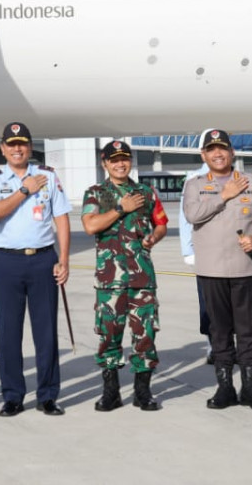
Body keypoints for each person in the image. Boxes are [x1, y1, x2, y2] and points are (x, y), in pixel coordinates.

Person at [182, 128, 252, 411]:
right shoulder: (194, 185)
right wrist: (223, 195)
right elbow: (192, 215)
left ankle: (250, 388)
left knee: (248, 332)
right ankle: (225, 387)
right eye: (211, 149)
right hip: (211, 271)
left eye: (222, 148)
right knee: (220, 332)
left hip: (245, 270)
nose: (218, 153)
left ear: (232, 152)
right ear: (204, 155)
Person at [0, 121, 71, 417]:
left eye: (22, 143)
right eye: (11, 144)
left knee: (46, 332)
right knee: (9, 332)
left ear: (30, 147)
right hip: (8, 261)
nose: (17, 148)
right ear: (3, 149)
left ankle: (47, 395)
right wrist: (23, 190)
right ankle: (13, 396)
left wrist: (64, 259)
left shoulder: (47, 176)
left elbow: (61, 219)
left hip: (43, 259)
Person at [81, 140, 169, 412]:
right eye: (114, 159)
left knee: (145, 335)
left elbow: (162, 224)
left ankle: (143, 392)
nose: (120, 163)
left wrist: (154, 236)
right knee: (109, 335)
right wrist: (121, 208)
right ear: (104, 163)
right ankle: (111, 392)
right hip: (110, 280)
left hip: (142, 277)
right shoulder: (95, 193)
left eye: (125, 158)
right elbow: (90, 225)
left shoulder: (145, 192)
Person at [178, 161, 212, 364]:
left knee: (232, 305)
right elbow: (184, 217)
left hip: (231, 253)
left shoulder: (237, 177)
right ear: (203, 152)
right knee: (208, 302)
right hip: (204, 251)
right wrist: (187, 250)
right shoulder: (193, 180)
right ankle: (213, 345)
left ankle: (228, 343)